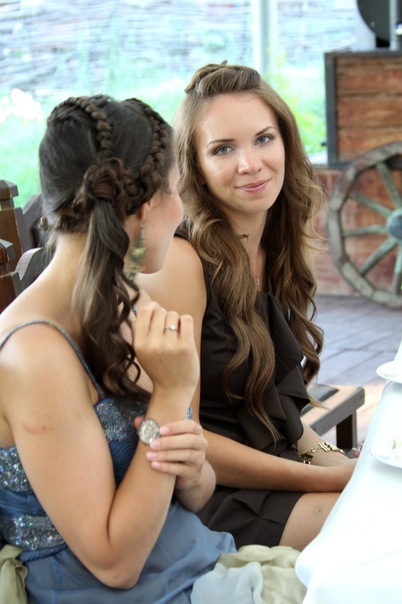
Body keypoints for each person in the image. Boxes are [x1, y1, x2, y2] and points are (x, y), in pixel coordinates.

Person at [0, 94, 307, 603]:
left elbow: (197, 493)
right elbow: (115, 564)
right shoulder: (34, 354)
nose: (182, 208)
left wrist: (191, 467)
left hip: (193, 561)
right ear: (146, 208)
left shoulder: (128, 302)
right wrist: (170, 395)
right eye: (176, 190)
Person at [137, 62, 357, 553]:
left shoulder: (272, 243)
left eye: (263, 139)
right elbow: (182, 433)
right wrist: (329, 480)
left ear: (286, 142)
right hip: (206, 494)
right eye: (223, 149)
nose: (250, 163)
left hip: (271, 468)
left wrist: (338, 463)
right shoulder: (183, 264)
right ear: (194, 165)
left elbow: (284, 416)